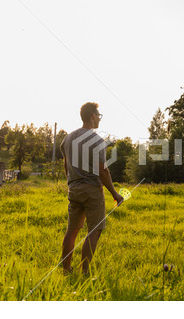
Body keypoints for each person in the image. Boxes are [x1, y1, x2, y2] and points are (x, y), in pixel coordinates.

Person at [60, 102, 123, 274]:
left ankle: (66, 270)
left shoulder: (68, 138)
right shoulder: (97, 140)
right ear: (92, 116)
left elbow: (66, 164)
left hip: (74, 189)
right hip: (92, 190)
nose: (99, 119)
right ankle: (84, 272)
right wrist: (115, 194)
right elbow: (103, 171)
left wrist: (72, 182)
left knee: (71, 230)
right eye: (99, 115)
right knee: (94, 230)